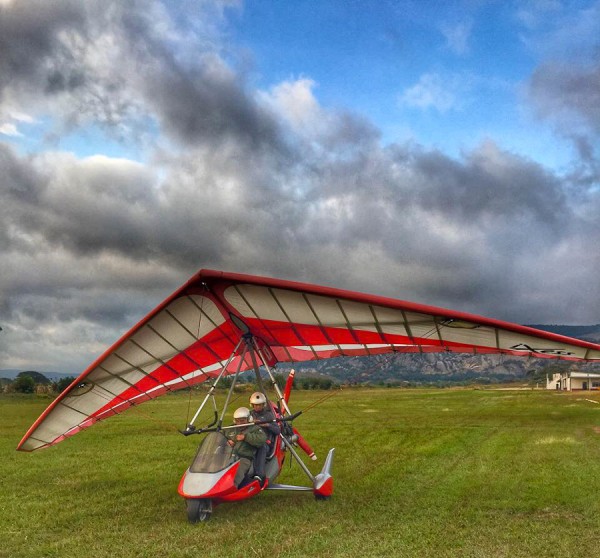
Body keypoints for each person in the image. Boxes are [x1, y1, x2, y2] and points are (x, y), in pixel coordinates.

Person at [225, 407, 267, 488]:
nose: (240, 423)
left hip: (244, 458)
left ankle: (232, 487)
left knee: (238, 470)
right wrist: (227, 441)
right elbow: (220, 436)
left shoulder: (255, 428)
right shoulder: (231, 429)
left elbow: (262, 439)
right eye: (237, 421)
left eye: (242, 421)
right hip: (228, 456)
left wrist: (246, 437)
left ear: (249, 419)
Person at [249, 391, 281, 484]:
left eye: (260, 405)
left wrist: (266, 424)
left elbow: (277, 430)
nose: (257, 407)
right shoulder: (249, 415)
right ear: (252, 405)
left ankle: (259, 475)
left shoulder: (269, 415)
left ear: (264, 405)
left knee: (261, 447)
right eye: (255, 405)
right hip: (251, 440)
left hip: (265, 443)